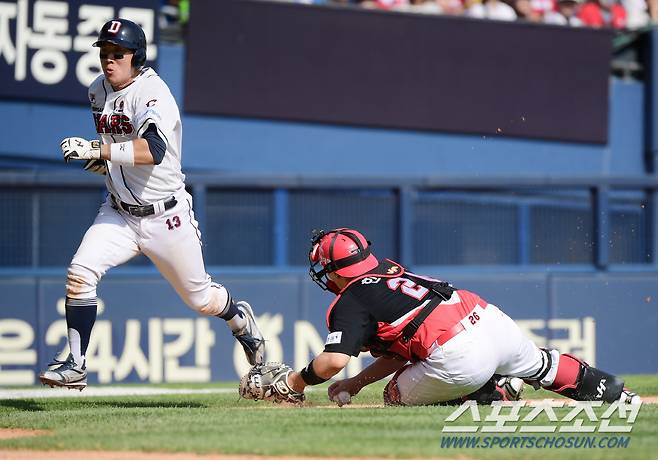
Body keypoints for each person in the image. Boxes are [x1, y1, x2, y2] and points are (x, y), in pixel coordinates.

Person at [39, 18, 265, 390]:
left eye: (118, 54)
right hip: (119, 213)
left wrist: (98, 149)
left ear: (136, 57)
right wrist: (98, 160)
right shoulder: (97, 90)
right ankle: (76, 365)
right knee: (80, 273)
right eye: (104, 53)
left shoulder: (154, 94)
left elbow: (153, 151)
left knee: (201, 299)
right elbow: (118, 156)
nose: (108, 60)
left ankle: (239, 318)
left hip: (166, 215)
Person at [240, 228, 640, 407]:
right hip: (488, 317)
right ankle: (617, 393)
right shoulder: (394, 272)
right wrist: (357, 383)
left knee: (395, 396)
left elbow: (331, 362)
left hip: (458, 354)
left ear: (337, 270)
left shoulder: (350, 300)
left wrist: (295, 382)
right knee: (543, 365)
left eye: (325, 267)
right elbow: (402, 348)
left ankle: (492, 392)